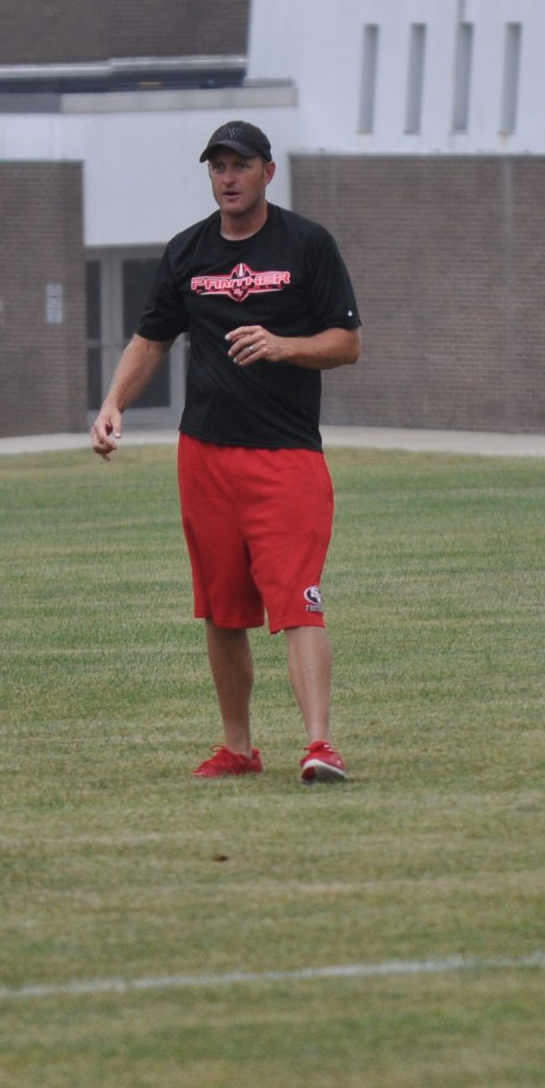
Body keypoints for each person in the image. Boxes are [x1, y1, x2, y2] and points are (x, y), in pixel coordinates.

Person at [91, 120, 363, 782]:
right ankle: (239, 748)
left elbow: (347, 342)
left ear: (267, 171)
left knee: (298, 601)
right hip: (206, 455)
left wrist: (284, 345)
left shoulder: (308, 245)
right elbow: (151, 340)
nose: (228, 177)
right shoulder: (187, 252)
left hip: (286, 457)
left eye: (240, 165)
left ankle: (320, 745)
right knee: (222, 610)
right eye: (217, 166)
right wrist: (113, 405)